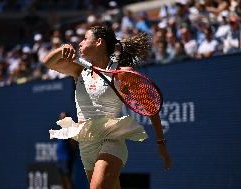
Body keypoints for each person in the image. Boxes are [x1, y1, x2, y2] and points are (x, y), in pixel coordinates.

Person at [43, 25, 172, 189]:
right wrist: (62, 50)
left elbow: (151, 108)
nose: (80, 43)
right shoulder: (79, 70)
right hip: (86, 144)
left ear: (98, 42)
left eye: (85, 39)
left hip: (110, 139)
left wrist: (161, 144)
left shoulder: (122, 73)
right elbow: (47, 62)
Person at [55, 112, 77, 189]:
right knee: (62, 180)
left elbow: (73, 146)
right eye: (61, 118)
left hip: (66, 159)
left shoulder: (70, 131)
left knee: (68, 180)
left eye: (64, 118)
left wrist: (69, 156)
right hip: (60, 159)